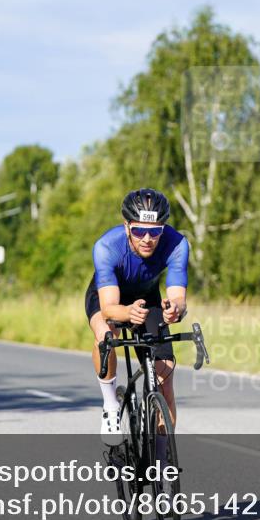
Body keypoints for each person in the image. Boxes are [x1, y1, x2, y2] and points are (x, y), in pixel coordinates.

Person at [87, 188, 189, 445]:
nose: (147, 238)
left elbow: (178, 296)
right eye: (139, 230)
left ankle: (163, 456)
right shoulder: (106, 247)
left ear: (163, 229)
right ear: (126, 226)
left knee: (164, 377)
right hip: (109, 296)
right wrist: (127, 312)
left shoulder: (177, 244)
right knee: (106, 335)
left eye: (154, 231)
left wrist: (174, 309)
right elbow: (109, 307)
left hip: (148, 298)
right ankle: (111, 405)